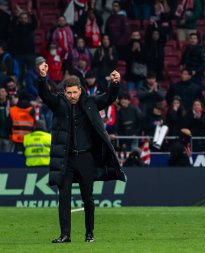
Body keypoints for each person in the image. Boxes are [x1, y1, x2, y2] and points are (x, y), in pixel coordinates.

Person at [36, 61, 126, 243]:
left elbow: (109, 98)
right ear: (64, 92)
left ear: (80, 90)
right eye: (68, 93)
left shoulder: (91, 102)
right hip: (66, 159)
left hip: (86, 157)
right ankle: (65, 235)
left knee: (88, 198)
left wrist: (115, 84)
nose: (72, 96)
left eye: (75, 92)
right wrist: (42, 77)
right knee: (64, 197)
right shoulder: (59, 103)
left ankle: (89, 233)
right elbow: (45, 95)